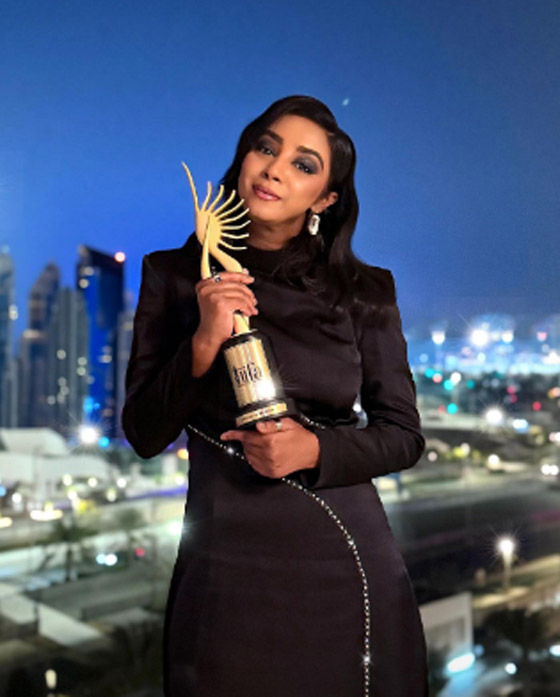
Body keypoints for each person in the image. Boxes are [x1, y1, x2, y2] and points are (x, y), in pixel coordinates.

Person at [122, 95, 428, 697]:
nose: (274, 169)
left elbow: (403, 435)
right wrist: (203, 340)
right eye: (266, 148)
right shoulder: (175, 275)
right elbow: (143, 432)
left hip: (344, 554)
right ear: (244, 157)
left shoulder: (365, 291)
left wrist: (313, 450)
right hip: (225, 567)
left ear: (325, 199)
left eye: (303, 164)